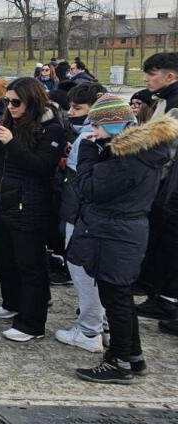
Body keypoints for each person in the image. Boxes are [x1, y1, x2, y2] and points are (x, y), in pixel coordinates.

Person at [70, 95, 177, 383]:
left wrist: (88, 153)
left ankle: (119, 362)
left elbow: (89, 188)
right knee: (121, 296)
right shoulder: (142, 151)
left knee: (115, 297)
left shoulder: (128, 159)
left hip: (114, 232)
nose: (93, 132)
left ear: (115, 126)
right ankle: (132, 355)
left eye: (97, 126)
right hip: (124, 229)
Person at [0, 78, 66, 342]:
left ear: (31, 101)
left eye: (15, 102)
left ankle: (32, 323)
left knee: (31, 265)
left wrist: (10, 142)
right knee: (6, 258)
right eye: (7, 101)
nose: (10, 106)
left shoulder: (51, 128)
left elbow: (42, 166)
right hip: (5, 199)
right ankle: (12, 302)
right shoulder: (11, 123)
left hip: (31, 203)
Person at [55, 82, 110, 353]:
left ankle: (89, 330)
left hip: (80, 215)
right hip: (92, 216)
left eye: (78, 108)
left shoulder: (88, 139)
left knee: (83, 273)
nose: (72, 112)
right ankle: (101, 323)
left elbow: (80, 182)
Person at [139, 53, 178, 327]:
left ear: (170, 76)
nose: (145, 79)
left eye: (151, 74)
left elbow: (162, 147)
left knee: (170, 242)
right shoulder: (163, 100)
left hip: (171, 184)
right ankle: (157, 292)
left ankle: (168, 300)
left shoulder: (174, 104)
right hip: (163, 182)